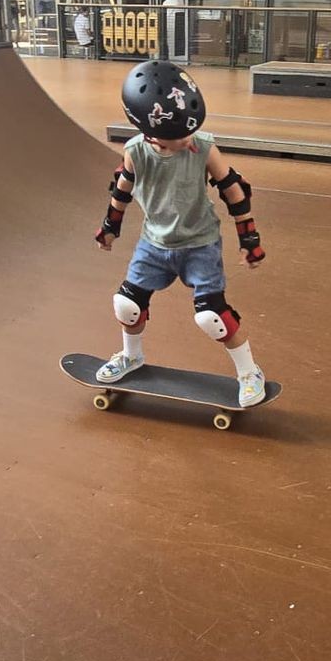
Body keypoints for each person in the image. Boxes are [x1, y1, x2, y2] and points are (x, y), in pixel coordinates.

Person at [93, 60, 268, 409]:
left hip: (199, 244)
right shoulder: (136, 151)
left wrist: (249, 238)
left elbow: (233, 188)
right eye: (177, 137)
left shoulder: (202, 147)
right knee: (127, 306)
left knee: (212, 318)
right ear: (147, 132)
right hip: (153, 245)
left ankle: (250, 373)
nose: (187, 140)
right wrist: (111, 226)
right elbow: (122, 189)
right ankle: (132, 356)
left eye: (189, 131)